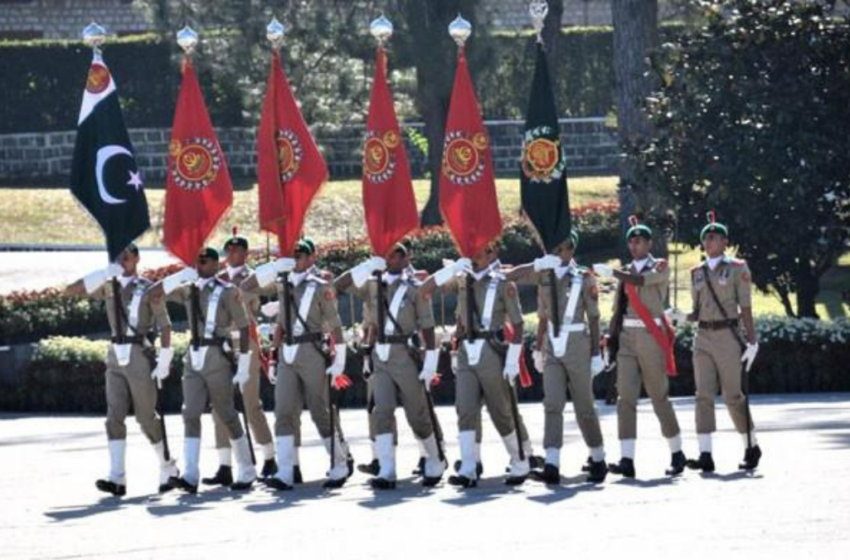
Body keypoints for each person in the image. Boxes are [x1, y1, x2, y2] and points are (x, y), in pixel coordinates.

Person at [65, 243, 178, 496]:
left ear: (137, 258)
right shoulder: (109, 285)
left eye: (126, 256)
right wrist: (104, 272)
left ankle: (166, 466)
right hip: (115, 354)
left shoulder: (148, 288)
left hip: (139, 353)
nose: (123, 260)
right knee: (113, 416)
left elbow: (165, 325)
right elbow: (72, 290)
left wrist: (165, 359)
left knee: (146, 417)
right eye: (119, 256)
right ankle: (117, 477)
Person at [241, 238, 352, 490]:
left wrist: (340, 359)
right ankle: (286, 471)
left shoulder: (320, 285)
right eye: (295, 255)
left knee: (319, 410)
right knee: (283, 411)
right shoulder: (283, 283)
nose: (298, 259)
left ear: (312, 257)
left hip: (311, 350)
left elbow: (334, 324)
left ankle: (339, 464)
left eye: (302, 255)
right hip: (287, 353)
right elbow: (247, 288)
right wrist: (273, 357)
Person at [424, 242, 534, 488]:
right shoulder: (462, 279)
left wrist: (513, 359)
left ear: (492, 254)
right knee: (465, 408)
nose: (473, 257)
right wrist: (452, 268)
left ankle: (519, 460)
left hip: (491, 350)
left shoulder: (503, 283)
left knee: (501, 410)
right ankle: (469, 467)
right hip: (465, 350)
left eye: (479, 253)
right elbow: (426, 289)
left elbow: (517, 325)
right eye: (470, 252)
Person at [336, 243, 445, 489]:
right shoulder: (374, 284)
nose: (391, 258)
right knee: (381, 411)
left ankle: (435, 459)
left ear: (407, 259)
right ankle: (387, 469)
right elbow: (339, 286)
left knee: (416, 412)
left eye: (397, 255)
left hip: (404, 353)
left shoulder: (415, 289)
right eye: (388, 254)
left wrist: (430, 362)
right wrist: (365, 266)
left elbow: (427, 326)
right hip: (380, 355)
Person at [151, 247, 257, 493]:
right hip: (193, 356)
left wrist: (243, 363)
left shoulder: (228, 291)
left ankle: (246, 469)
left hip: (217, 356)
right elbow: (155, 293)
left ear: (216, 265)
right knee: (190, 413)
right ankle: (190, 474)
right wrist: (180, 275)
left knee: (227, 414)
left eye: (205, 261)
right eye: (197, 261)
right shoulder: (189, 288)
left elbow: (243, 327)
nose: (200, 265)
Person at [507, 231, 608, 484]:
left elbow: (594, 318)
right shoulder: (545, 274)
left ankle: (598, 457)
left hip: (576, 343)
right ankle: (552, 463)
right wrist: (539, 347)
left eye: (565, 247)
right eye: (556, 248)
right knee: (552, 403)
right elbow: (510, 278)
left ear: (572, 249)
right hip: (552, 343)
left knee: (584, 405)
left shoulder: (584, 278)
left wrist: (596, 353)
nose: (561, 252)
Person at [593, 216, 687, 478]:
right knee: (625, 398)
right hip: (627, 338)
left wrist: (612, 273)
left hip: (650, 335)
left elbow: (642, 282)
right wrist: (610, 341)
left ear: (649, 243)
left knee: (658, 396)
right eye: (631, 242)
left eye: (639, 241)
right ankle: (627, 459)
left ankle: (677, 452)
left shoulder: (660, 266)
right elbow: (618, 310)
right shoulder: (626, 271)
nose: (634, 246)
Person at [686, 212, 761, 472]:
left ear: (725, 242)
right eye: (705, 238)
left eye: (714, 237)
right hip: (703, 336)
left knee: (732, 396)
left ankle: (751, 445)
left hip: (727, 337)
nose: (708, 241)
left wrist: (752, 341)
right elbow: (695, 312)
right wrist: (679, 315)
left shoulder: (738, 269)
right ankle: (705, 453)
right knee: (702, 395)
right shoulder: (697, 272)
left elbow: (746, 308)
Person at [200, 233, 277, 487]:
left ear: (245, 253)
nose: (231, 255)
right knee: (219, 406)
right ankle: (225, 464)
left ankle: (268, 457)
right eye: (228, 251)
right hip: (222, 344)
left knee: (250, 402)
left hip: (247, 343)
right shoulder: (217, 280)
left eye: (236, 251)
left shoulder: (250, 279)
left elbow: (256, 294)